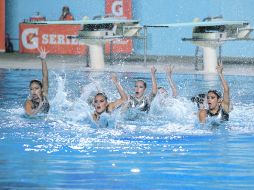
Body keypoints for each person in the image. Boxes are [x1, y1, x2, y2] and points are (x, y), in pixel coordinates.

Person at [24, 47, 50, 116]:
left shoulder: (44, 94)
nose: (34, 91)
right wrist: (40, 105)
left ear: (41, 89)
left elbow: (45, 76)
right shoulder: (29, 103)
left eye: (36, 88)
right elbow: (30, 115)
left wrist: (43, 60)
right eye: (31, 89)